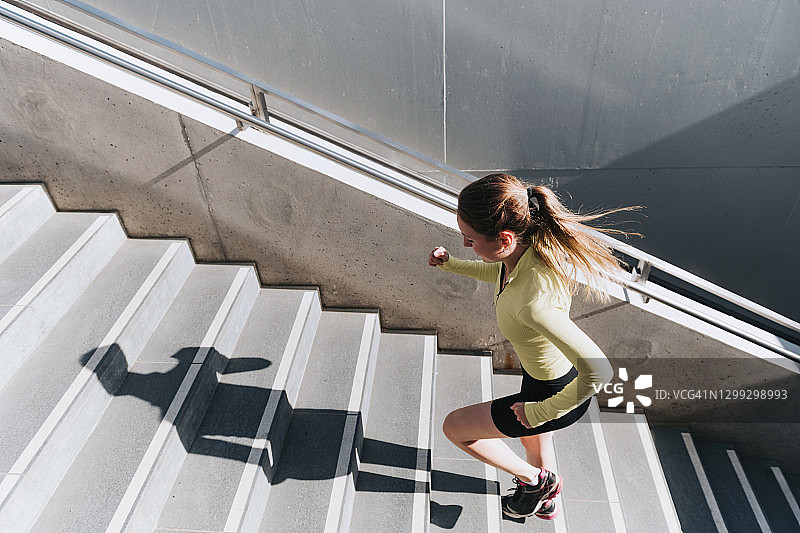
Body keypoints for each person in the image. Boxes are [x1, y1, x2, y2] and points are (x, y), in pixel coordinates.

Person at [427, 173, 637, 520]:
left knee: (456, 428)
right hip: (543, 377)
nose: (465, 244)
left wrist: (539, 412)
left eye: (470, 239)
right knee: (532, 441)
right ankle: (547, 499)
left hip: (554, 395)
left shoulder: (534, 305)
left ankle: (535, 482)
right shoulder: (529, 252)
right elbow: (502, 277)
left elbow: (600, 371)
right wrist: (452, 264)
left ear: (506, 238)